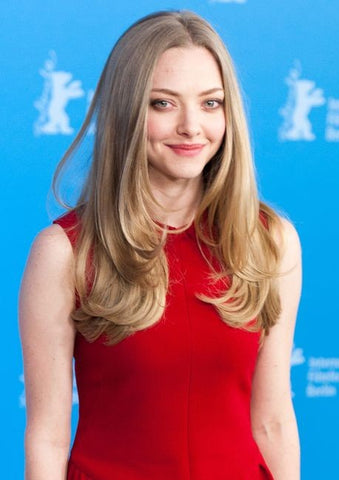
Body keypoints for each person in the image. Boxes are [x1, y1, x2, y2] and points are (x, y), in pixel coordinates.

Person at [19, 10, 301, 480]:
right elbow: (47, 435)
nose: (192, 126)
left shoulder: (270, 242)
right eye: (163, 104)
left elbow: (271, 420)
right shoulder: (64, 252)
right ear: (128, 112)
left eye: (211, 103)